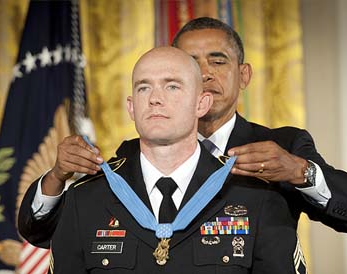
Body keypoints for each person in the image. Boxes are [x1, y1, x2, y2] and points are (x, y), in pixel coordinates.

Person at [18, 17, 347, 247]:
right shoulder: (132, 153)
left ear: (244, 76)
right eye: (191, 64)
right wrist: (56, 176)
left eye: (218, 61)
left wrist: (300, 171)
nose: (205, 73)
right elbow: (44, 234)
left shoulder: (282, 147)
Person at [48, 46, 306, 273]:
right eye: (143, 87)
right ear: (131, 108)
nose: (155, 99)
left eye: (172, 86)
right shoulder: (84, 201)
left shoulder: (256, 198)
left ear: (201, 104)